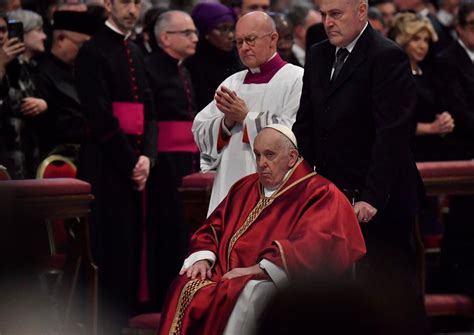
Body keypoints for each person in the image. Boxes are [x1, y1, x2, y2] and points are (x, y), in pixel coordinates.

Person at [292, 0, 427, 332]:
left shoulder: (387, 56)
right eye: (324, 15)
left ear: (362, 11)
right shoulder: (319, 54)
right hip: (331, 194)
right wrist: (312, 183)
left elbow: (393, 134)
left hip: (381, 198)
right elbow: (305, 124)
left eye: (335, 14)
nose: (327, 22)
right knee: (338, 298)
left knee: (390, 292)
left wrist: (371, 197)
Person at [157, 125, 366, 335]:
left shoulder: (320, 193)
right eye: (257, 155)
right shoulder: (245, 187)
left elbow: (316, 244)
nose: (261, 164)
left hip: (272, 280)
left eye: (270, 155)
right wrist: (203, 258)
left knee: (250, 292)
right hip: (226, 274)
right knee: (186, 282)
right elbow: (214, 227)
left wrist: (258, 269)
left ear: (292, 157)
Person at [75, 0, 157, 333]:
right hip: (105, 163)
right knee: (109, 243)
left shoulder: (135, 49)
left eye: (137, 2)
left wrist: (148, 157)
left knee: (131, 242)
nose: (132, 9)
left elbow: (150, 109)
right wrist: (130, 161)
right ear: (108, 4)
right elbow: (99, 115)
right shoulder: (92, 51)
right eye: (125, 1)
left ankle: (126, 317)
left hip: (136, 161)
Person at [193, 11, 304, 216]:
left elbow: (293, 132)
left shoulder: (297, 79)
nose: (244, 48)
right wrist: (226, 122)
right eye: (239, 42)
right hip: (229, 181)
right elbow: (200, 127)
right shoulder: (232, 82)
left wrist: (246, 117)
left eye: (250, 40)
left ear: (273, 39)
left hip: (274, 185)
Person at [144, 10, 199, 310]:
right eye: (187, 33)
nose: (195, 38)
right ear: (165, 38)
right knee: (168, 228)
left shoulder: (183, 68)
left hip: (187, 159)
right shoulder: (151, 68)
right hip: (164, 163)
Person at [434, 0, 474, 297]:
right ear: (459, 28)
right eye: (473, 25)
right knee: (462, 226)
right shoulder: (447, 59)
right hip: (462, 149)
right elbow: (458, 109)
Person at [389, 12, 454, 161]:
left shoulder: (426, 73)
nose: (422, 45)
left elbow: (435, 108)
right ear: (403, 41)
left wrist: (444, 119)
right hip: (407, 154)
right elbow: (395, 122)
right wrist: (431, 128)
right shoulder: (394, 76)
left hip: (432, 150)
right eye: (416, 39)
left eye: (426, 40)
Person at [33, 10, 95, 160]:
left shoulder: (83, 71)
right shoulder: (41, 73)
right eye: (82, 44)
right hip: (57, 157)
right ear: (61, 39)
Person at [0, 9, 47, 179]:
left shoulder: (19, 64)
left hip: (25, 152)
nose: (1, 36)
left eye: (4, 30)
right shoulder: (6, 62)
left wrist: (43, 103)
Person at [187, 2, 243, 111]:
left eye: (232, 28)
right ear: (206, 32)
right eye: (223, 29)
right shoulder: (193, 64)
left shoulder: (239, 58)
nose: (231, 35)